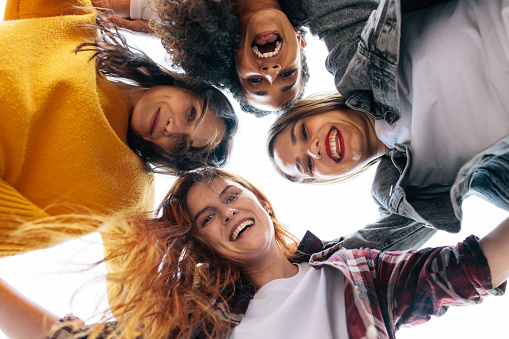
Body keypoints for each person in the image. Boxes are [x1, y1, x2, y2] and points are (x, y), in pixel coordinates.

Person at [0, 168, 507, 339]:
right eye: (206, 219)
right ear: (204, 244)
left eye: (230, 195)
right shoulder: (204, 322)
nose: (226, 213)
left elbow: (468, 269)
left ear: (258, 200)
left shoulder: (361, 276)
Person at [0, 0, 238, 257]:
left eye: (183, 144)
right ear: (180, 84)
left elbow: (133, 284)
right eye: (191, 113)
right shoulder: (78, 28)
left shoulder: (132, 192)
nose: (173, 129)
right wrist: (152, 13)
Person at [268, 0, 509, 251]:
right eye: (307, 165)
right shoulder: (402, 192)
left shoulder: (352, 62)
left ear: (318, 109)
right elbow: (355, 261)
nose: (313, 149)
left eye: (303, 132)